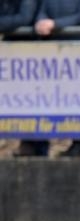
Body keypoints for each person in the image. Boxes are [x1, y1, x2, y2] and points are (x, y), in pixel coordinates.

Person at [34, 0, 80, 158]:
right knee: (48, 97)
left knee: (79, 98)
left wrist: (55, 24)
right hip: (54, 51)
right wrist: (40, 22)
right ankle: (39, 146)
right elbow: (42, 9)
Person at [1, 0, 44, 157]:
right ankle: (28, 146)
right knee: (20, 101)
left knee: (35, 101)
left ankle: (36, 148)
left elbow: (24, 18)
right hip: (12, 55)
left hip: (31, 51)